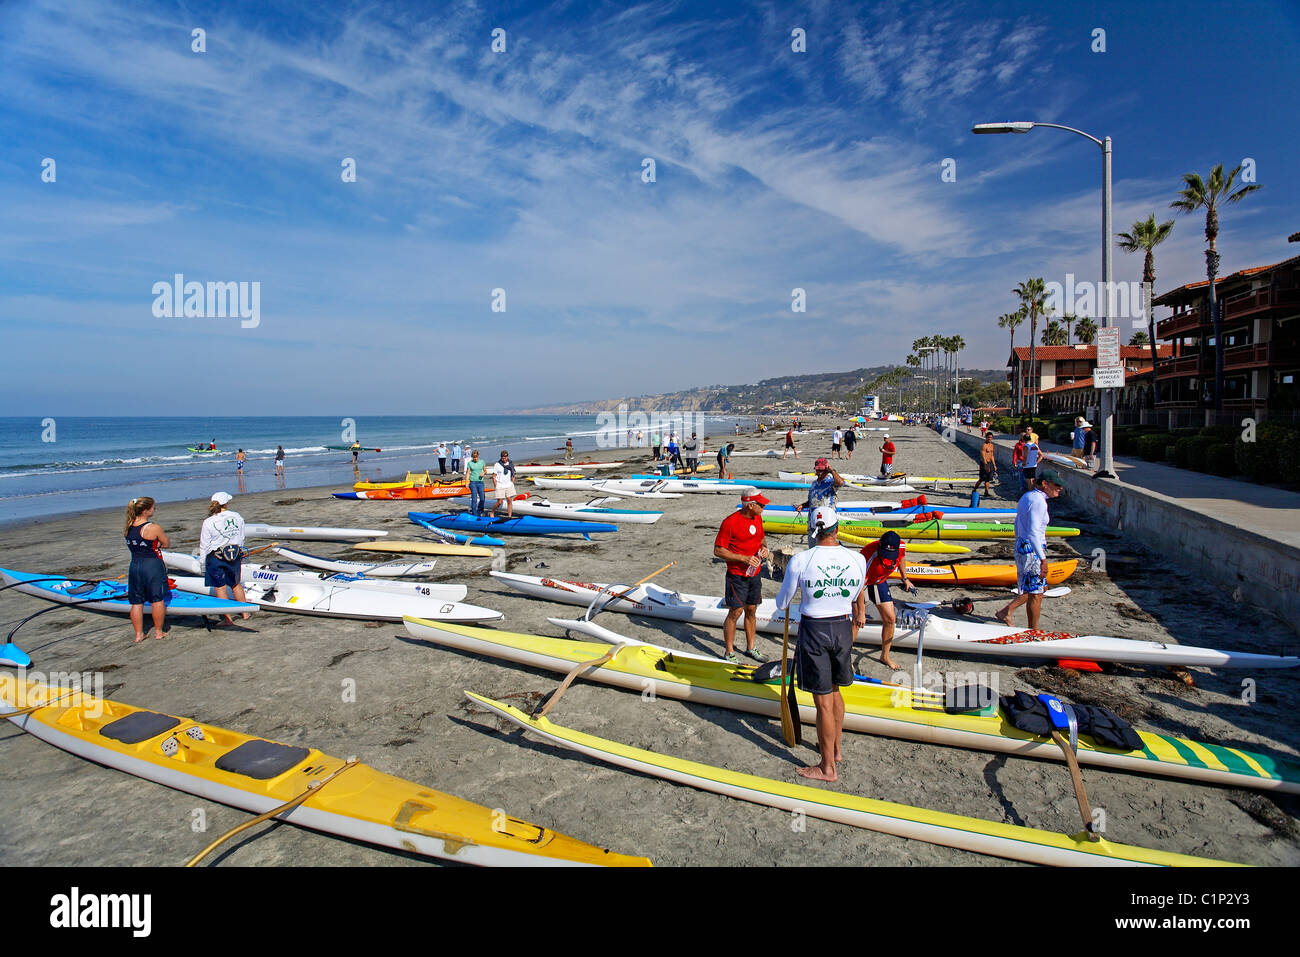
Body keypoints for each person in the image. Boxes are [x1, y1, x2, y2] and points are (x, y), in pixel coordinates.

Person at [774, 507, 867, 782]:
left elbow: (782, 603)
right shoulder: (858, 558)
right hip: (842, 628)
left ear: (814, 531)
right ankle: (836, 750)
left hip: (815, 630)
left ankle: (827, 768)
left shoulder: (802, 560)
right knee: (836, 693)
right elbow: (856, 592)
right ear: (837, 529)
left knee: (823, 703)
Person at [996, 469, 1064, 629]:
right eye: (1057, 485)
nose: (1060, 488)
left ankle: (1006, 611)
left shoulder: (1028, 497)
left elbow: (1019, 525)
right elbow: (1033, 532)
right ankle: (1033, 631)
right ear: (1045, 484)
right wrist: (1043, 559)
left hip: (1025, 546)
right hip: (1032, 550)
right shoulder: (1038, 502)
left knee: (1037, 589)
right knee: (1036, 594)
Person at [713, 493, 773, 662]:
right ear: (750, 505)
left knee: (752, 610)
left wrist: (764, 549)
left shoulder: (757, 518)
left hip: (754, 574)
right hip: (736, 575)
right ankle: (729, 652)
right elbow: (718, 550)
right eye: (761, 505)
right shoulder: (730, 522)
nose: (764, 508)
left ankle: (751, 648)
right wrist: (743, 558)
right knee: (736, 612)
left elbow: (761, 538)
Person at [853, 531, 916, 671]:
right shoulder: (869, 555)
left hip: (879, 581)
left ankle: (885, 656)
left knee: (890, 618)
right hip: (860, 583)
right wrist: (861, 612)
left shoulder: (901, 547)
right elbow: (860, 586)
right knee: (857, 621)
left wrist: (905, 579)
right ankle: (845, 659)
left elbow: (901, 559)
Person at [124, 496, 170, 642]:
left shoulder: (128, 526)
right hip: (152, 565)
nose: (154, 510)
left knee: (136, 602)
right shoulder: (153, 527)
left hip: (135, 565)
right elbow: (166, 543)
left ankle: (139, 634)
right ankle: (158, 632)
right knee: (157, 599)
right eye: (153, 508)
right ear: (145, 511)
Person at [201, 491, 251, 626]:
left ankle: (227, 619)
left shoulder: (209, 522)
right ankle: (245, 613)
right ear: (226, 503)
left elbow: (204, 545)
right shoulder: (236, 516)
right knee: (235, 584)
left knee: (220, 588)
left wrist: (202, 563)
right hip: (234, 554)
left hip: (216, 556)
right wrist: (240, 550)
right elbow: (241, 537)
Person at [794, 457, 844, 548]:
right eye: (818, 470)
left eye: (822, 470)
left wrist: (832, 470)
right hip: (813, 522)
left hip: (828, 523)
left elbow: (840, 482)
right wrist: (802, 505)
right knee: (813, 547)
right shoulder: (814, 484)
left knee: (827, 547)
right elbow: (812, 501)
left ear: (826, 470)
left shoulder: (831, 482)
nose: (820, 473)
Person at [492, 450, 517, 517]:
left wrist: (512, 483)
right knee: (500, 502)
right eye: (502, 458)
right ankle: (492, 512)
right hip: (500, 485)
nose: (504, 459)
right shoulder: (497, 464)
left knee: (509, 500)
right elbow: (494, 475)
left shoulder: (510, 463)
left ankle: (509, 516)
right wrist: (495, 485)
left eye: (505, 458)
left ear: (507, 457)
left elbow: (513, 474)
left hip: (508, 484)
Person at [465, 449, 487, 517]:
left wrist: (483, 473)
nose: (475, 459)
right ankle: (474, 513)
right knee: (474, 498)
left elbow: (485, 470)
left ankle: (480, 510)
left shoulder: (482, 462)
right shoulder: (470, 463)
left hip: (480, 482)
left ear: (478, 456)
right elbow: (468, 473)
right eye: (474, 457)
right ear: (472, 457)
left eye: (476, 457)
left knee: (482, 498)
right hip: (473, 482)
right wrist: (466, 483)